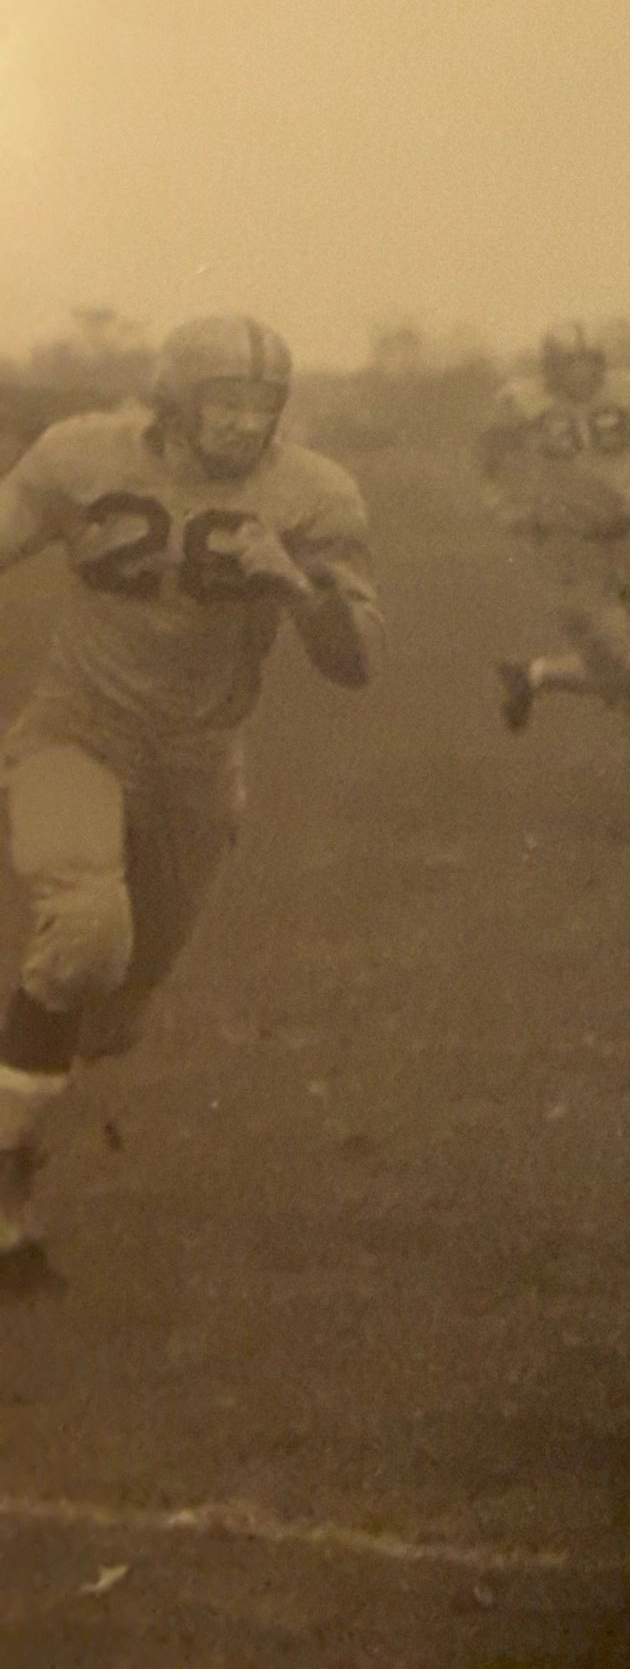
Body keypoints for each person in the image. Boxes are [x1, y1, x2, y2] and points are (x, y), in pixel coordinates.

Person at [0, 316, 381, 1293]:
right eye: (225, 400)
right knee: (85, 933)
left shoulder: (313, 493)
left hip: (198, 765)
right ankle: (6, 1193)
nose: (244, 422)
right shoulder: (86, 453)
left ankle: (16, 1115)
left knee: (114, 1016)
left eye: (261, 405)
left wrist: (296, 588)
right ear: (176, 399)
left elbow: (354, 664)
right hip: (71, 734)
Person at [477, 322, 630, 833]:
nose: (580, 376)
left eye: (588, 364)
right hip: (565, 552)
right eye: (568, 366)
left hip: (625, 545)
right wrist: (506, 507)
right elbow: (486, 464)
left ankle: (534, 677)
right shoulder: (520, 404)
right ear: (550, 370)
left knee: (626, 679)